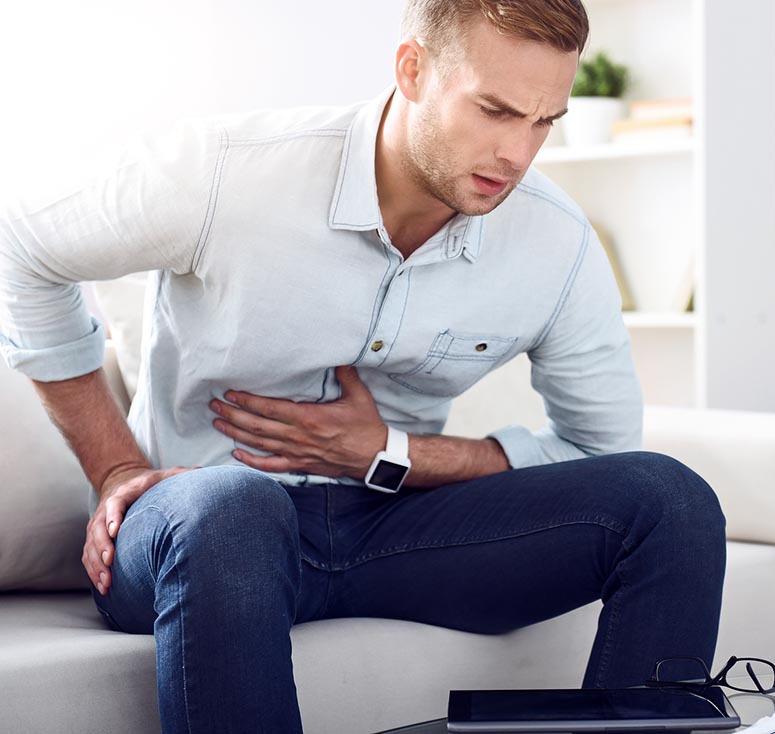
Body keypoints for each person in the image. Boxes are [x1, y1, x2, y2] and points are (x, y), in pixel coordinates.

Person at [0, 1, 726, 731]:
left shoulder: (554, 243)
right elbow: (24, 245)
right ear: (412, 70)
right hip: (196, 531)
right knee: (234, 505)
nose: (518, 154)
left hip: (393, 531)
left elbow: (600, 449)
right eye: (496, 111)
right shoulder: (229, 173)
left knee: (671, 500)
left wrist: (392, 455)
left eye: (545, 121)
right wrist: (116, 470)